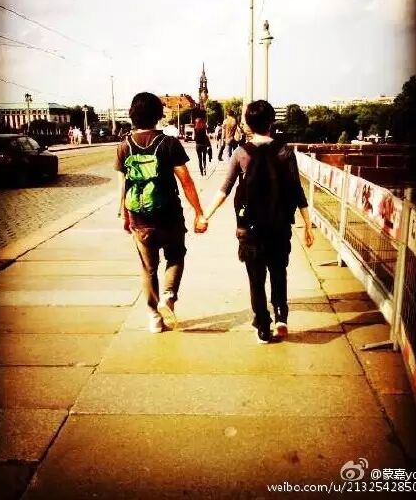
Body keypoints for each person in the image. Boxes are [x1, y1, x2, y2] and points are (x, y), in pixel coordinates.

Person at [201, 99, 314, 344]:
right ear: (271, 121)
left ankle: (263, 325)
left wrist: (204, 216)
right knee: (278, 272)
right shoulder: (285, 152)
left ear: (247, 124)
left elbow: (224, 190)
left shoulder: (241, 153)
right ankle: (281, 316)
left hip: (250, 229)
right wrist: (307, 225)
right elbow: (297, 191)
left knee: (256, 278)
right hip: (279, 226)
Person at [115, 92, 207, 334]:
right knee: (175, 256)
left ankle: (154, 317)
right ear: (158, 115)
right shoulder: (169, 143)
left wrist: (123, 215)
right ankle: (168, 296)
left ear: (132, 115)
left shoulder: (124, 146)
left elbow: (122, 186)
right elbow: (186, 181)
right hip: (169, 216)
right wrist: (198, 212)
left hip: (139, 218)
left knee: (148, 268)